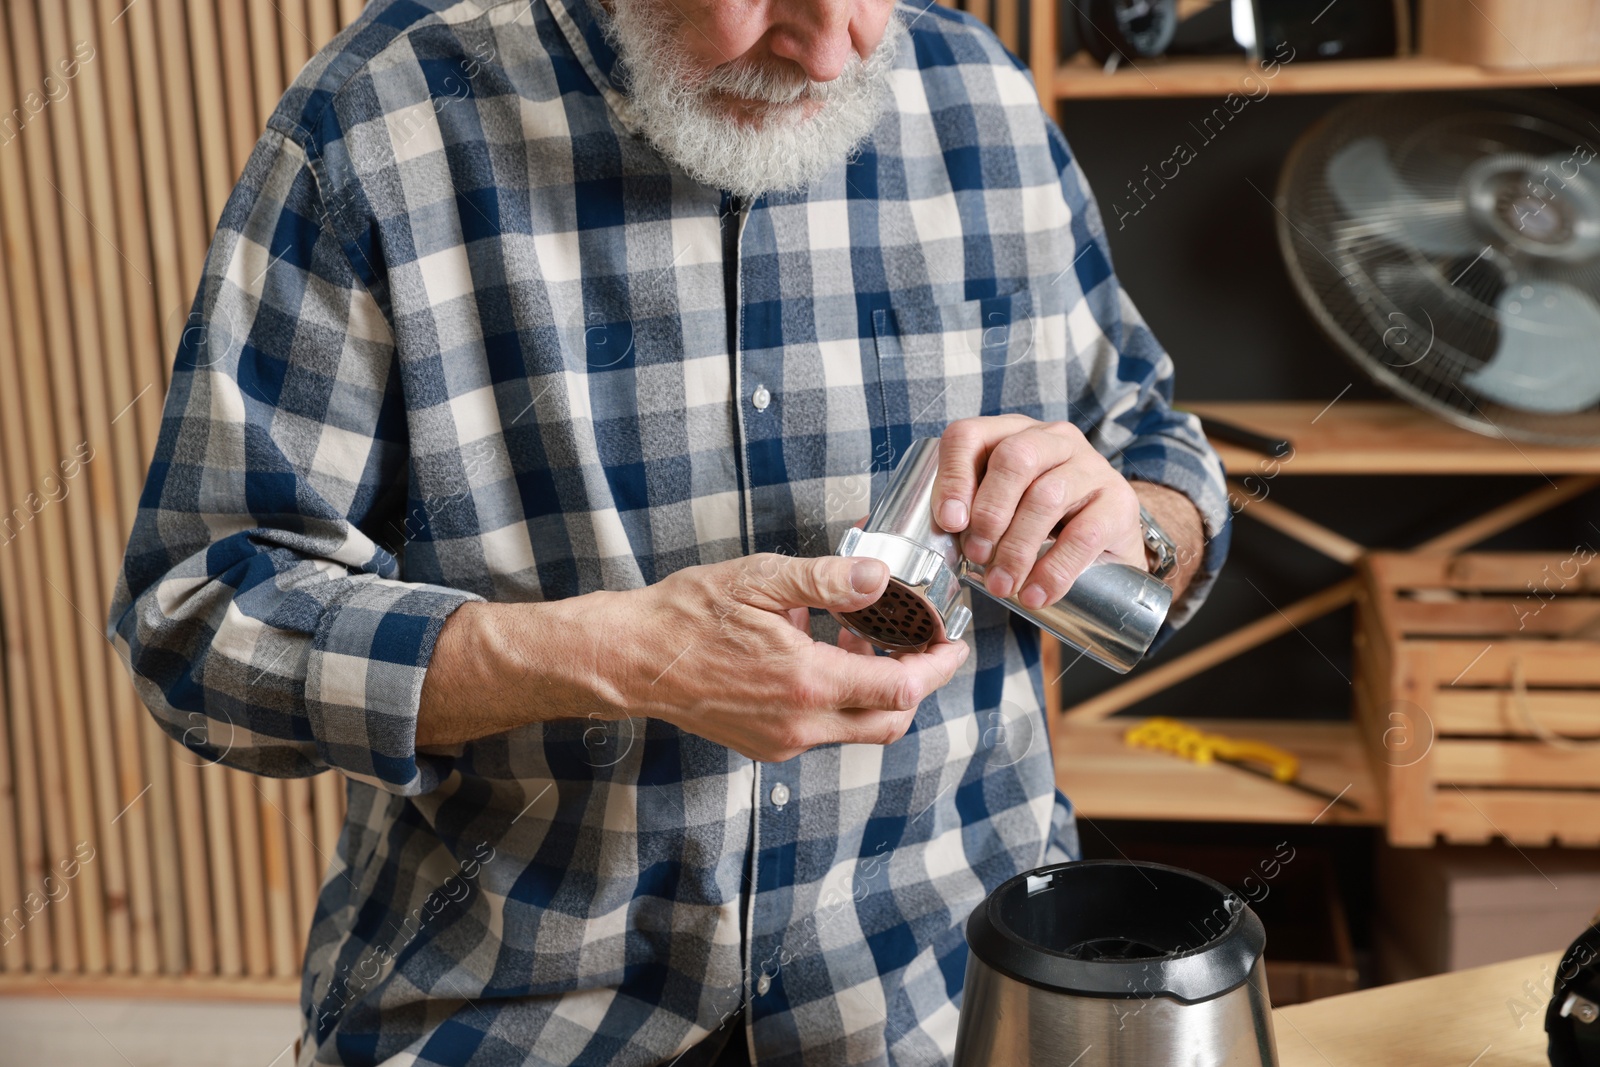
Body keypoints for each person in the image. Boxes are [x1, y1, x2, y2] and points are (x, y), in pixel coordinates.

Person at [108, 0, 1230, 1063]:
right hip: (517, 1011)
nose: (830, 51)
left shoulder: (981, 93)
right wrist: (613, 653)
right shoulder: (386, 115)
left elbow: (1158, 455)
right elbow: (200, 617)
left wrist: (1142, 523)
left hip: (940, 1000)